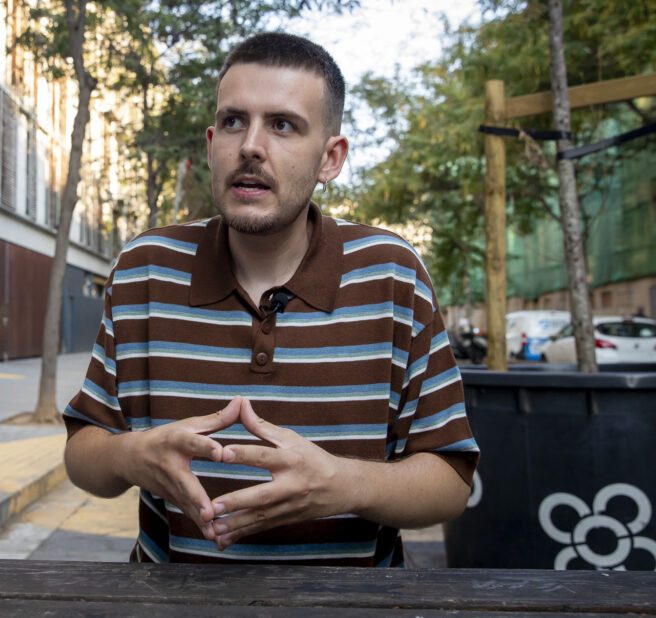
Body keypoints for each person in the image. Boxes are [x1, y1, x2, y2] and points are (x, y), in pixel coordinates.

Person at [62, 32, 479, 566]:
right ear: (211, 144)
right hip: (169, 599)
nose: (251, 146)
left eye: (283, 125)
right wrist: (129, 455)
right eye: (234, 121)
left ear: (331, 158)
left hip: (355, 603)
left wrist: (342, 485)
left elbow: (450, 483)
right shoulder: (144, 269)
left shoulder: (393, 274)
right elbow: (83, 455)